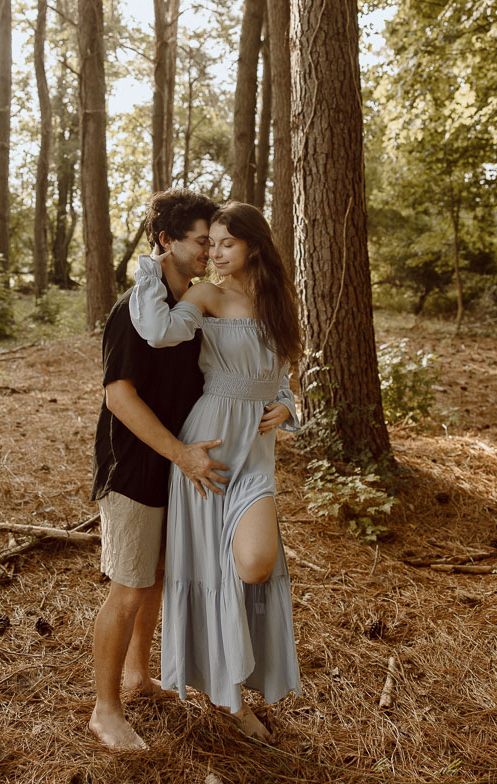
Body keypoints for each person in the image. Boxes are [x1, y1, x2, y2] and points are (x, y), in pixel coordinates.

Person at [129, 201, 303, 741]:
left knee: (253, 564)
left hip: (255, 451)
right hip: (206, 446)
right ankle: (231, 700)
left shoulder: (278, 300)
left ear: (253, 245)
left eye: (226, 243)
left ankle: (233, 683)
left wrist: (289, 407)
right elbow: (159, 332)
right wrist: (150, 269)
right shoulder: (205, 295)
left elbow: (283, 374)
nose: (215, 252)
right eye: (211, 243)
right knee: (213, 571)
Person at [89, 189, 230, 752]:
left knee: (155, 579)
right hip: (135, 464)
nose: (209, 252)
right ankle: (105, 711)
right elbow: (118, 396)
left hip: (179, 461)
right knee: (127, 587)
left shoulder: (195, 307)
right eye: (201, 241)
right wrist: (179, 452)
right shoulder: (133, 310)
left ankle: (138, 676)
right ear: (166, 242)